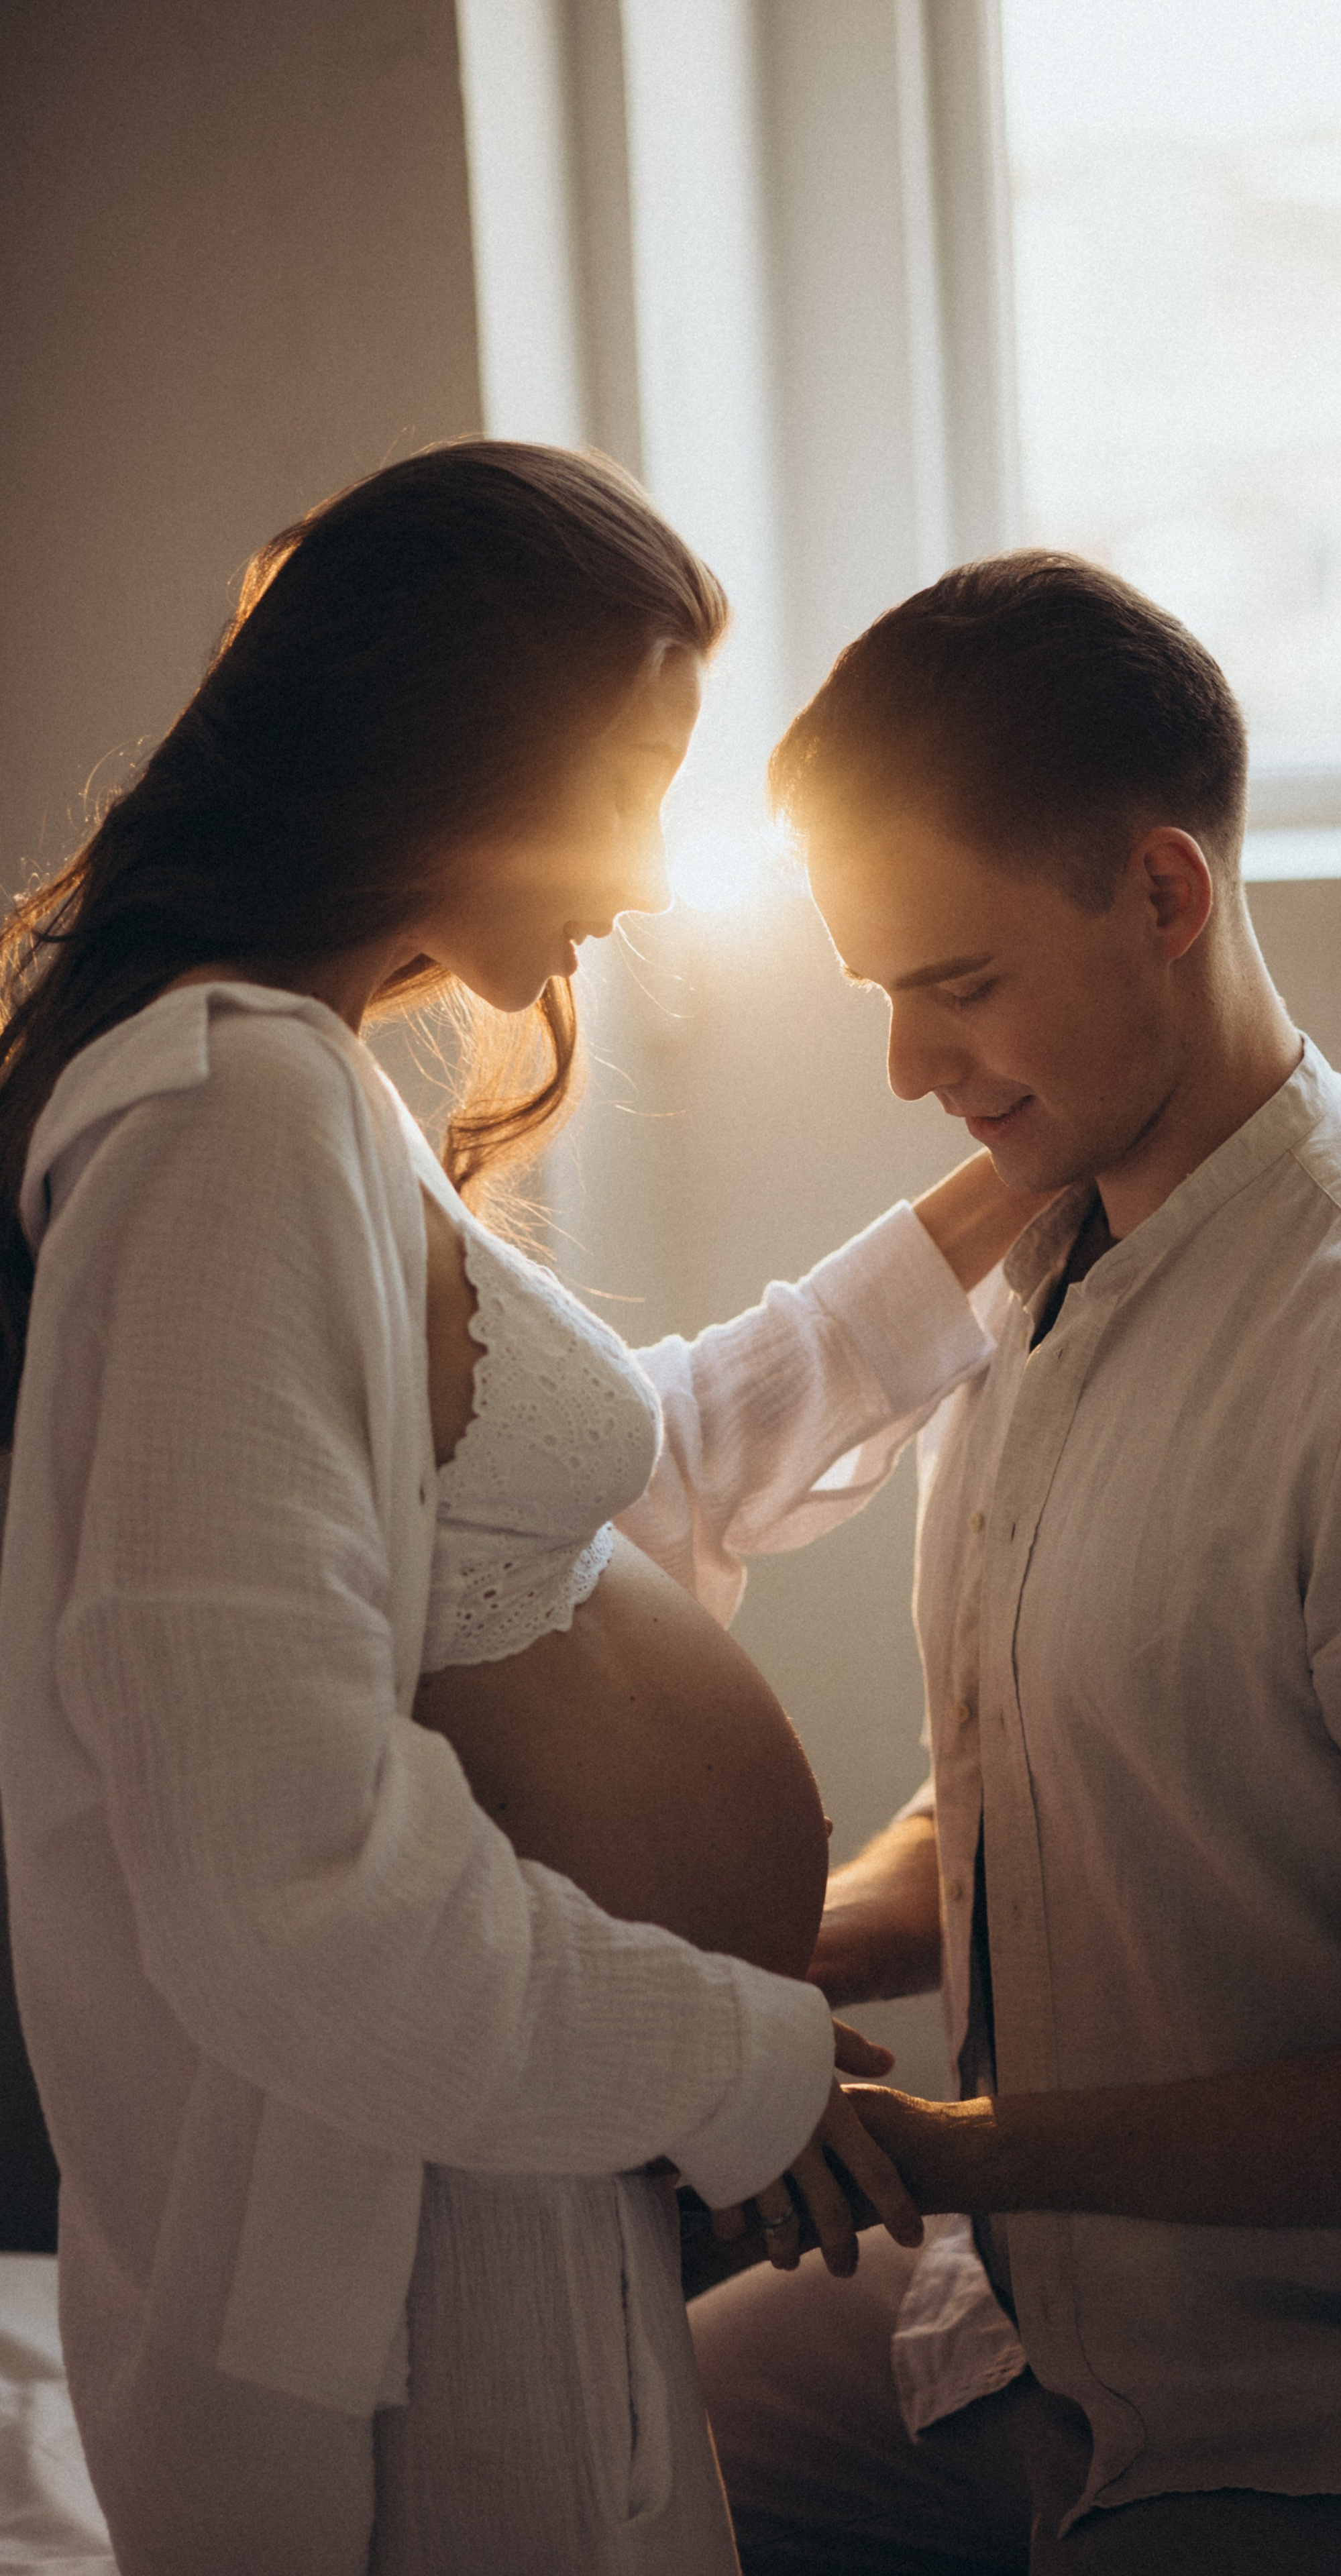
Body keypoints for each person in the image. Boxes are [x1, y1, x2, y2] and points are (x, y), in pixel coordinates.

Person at [0, 442, 1047, 2575]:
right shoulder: (227, 1124)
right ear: (449, 744)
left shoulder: (297, 1088)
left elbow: (567, 1513)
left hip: (496, 2196)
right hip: (413, 2287)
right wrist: (738, 2065)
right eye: (632, 785)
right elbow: (282, 1882)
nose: (647, 876)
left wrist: (1019, 1178)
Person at [692, 553, 1341, 2575]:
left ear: (1164, 894)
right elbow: (1055, 1789)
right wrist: (741, 1970)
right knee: (566, 2463)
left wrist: (961, 2152)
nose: (906, 1068)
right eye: (879, 993)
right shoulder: (1051, 1255)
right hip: (1037, 2323)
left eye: (956, 984)